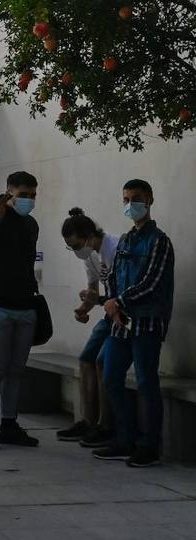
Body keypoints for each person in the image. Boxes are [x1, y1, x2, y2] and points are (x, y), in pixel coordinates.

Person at [94, 180, 174, 468]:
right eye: (126, 199)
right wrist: (112, 303)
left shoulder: (159, 241)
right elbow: (114, 275)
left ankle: (149, 446)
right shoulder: (126, 240)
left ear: (150, 199)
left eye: (137, 198)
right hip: (121, 322)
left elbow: (152, 282)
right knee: (111, 376)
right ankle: (124, 439)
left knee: (146, 382)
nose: (131, 204)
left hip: (147, 322)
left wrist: (119, 302)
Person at [0, 171, 41, 449]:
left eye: (32, 195)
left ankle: (10, 423)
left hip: (25, 304)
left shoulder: (31, 225)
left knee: (17, 369)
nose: (28, 200)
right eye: (22, 195)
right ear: (8, 193)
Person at [59, 208, 118, 447]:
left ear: (88, 236)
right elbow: (94, 289)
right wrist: (84, 308)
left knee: (102, 362)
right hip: (108, 313)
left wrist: (98, 300)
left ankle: (106, 425)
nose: (75, 252)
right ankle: (88, 421)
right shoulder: (90, 256)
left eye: (75, 246)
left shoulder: (112, 249)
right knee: (86, 359)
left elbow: (116, 293)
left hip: (122, 315)